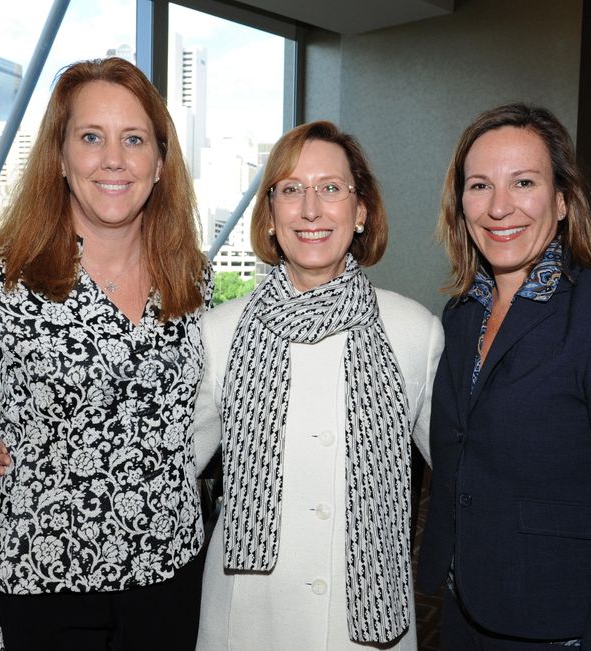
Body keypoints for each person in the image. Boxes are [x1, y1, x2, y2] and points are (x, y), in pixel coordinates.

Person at [0, 57, 211, 651]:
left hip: (170, 577)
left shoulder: (193, 281)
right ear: (59, 158)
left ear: (160, 164)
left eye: (134, 139)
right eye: (91, 137)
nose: (114, 159)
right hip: (44, 585)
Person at [417, 103, 591, 649]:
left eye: (523, 182)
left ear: (563, 200)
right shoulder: (462, 314)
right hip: (465, 604)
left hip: (560, 623)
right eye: (478, 186)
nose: (499, 207)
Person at [193, 121, 444, 650]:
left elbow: (467, 470)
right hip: (248, 619)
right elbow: (165, 467)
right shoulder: (218, 332)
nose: (311, 209)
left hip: (366, 625)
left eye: (331, 188)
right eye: (291, 189)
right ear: (270, 216)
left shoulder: (415, 330)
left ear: (361, 212)